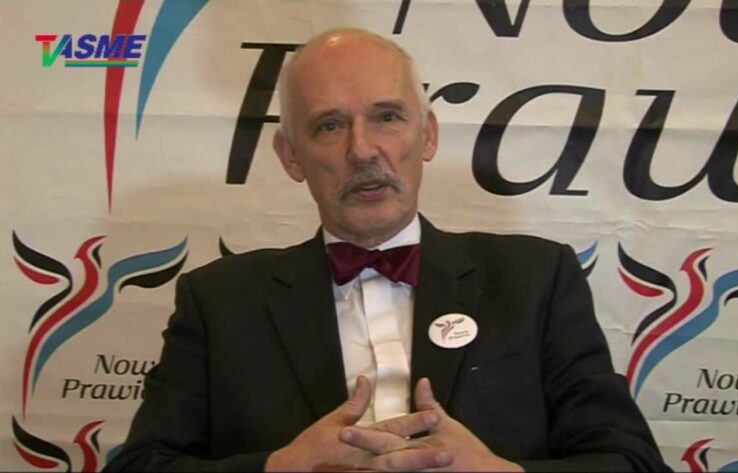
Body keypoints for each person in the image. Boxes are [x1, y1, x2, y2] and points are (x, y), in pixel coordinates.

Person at [105, 28, 669, 472]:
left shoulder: (536, 279)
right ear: (290, 155)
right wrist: (281, 467)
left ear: (428, 135)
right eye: (329, 125)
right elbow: (141, 464)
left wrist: (498, 472)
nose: (362, 150)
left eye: (387, 117)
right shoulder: (219, 300)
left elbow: (631, 461)